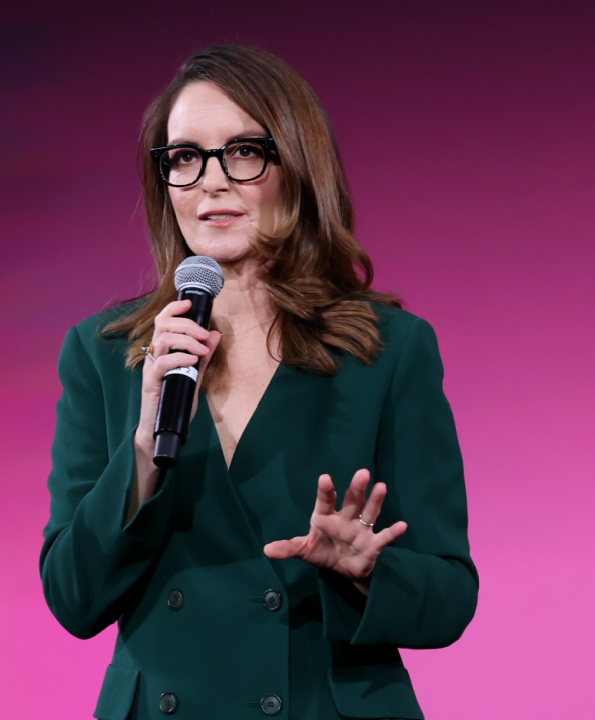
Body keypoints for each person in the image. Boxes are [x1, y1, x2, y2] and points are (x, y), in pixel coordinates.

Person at [40, 44, 477, 720]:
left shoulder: (390, 351)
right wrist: (140, 460)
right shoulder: (106, 355)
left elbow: (448, 598)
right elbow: (72, 598)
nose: (211, 181)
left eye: (242, 152)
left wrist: (365, 570)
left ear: (297, 168)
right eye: (184, 158)